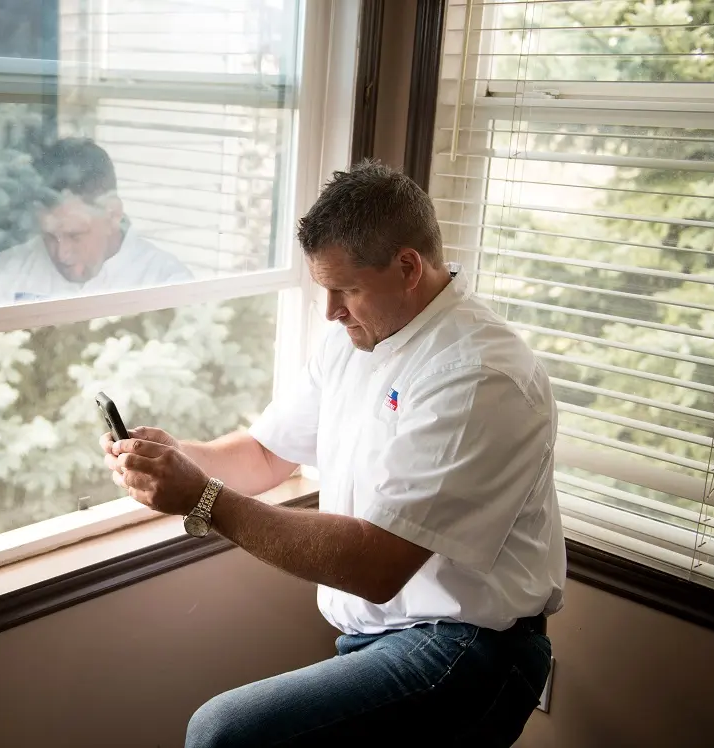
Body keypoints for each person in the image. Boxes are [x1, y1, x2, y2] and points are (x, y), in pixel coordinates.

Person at [101, 161, 566, 747]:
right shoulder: (354, 338)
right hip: (378, 635)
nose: (330, 311)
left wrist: (202, 497)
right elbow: (267, 454)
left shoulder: (479, 375)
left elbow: (376, 565)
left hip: (468, 648)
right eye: (324, 288)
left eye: (345, 289)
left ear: (407, 267)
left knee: (224, 733)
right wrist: (178, 458)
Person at [0, 138, 192, 305]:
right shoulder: (8, 272)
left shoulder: (165, 282)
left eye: (75, 235)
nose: (62, 254)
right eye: (49, 236)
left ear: (113, 215)